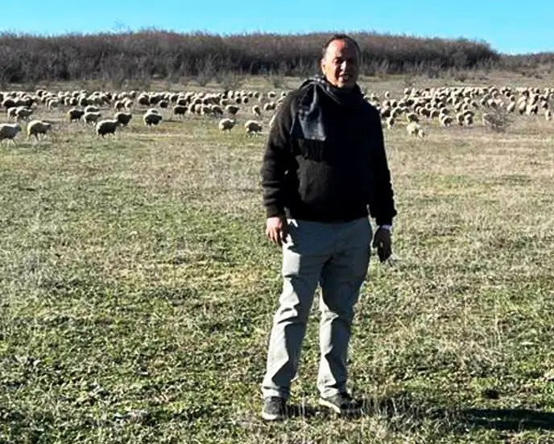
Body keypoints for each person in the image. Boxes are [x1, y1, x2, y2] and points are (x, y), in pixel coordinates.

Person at [260, 34, 396, 421]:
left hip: (353, 229)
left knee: (340, 312)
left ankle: (333, 389)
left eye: (351, 60)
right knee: (293, 310)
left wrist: (384, 222)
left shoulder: (367, 116)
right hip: (305, 227)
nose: (345, 67)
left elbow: (379, 172)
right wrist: (274, 210)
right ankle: (275, 392)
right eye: (338, 60)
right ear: (324, 65)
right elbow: (273, 159)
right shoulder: (300, 104)